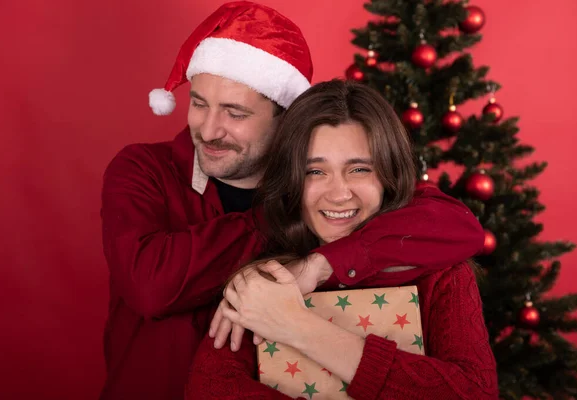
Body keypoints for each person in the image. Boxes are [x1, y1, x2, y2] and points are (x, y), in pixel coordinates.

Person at [100, 2, 484, 399]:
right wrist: (288, 216)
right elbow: (151, 286)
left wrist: (316, 266)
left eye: (235, 113)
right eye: (198, 103)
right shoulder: (145, 169)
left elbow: (455, 224)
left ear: (286, 120)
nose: (209, 129)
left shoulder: (333, 213)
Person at [186, 80, 498, 399]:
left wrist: (297, 326)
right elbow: (211, 389)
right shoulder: (264, 277)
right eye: (315, 172)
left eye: (359, 169)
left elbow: (475, 393)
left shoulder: (440, 274)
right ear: (292, 180)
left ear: (388, 176)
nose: (339, 194)